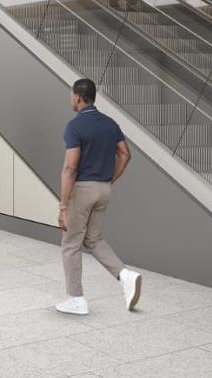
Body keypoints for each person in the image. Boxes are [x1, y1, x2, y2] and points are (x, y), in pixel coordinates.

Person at [55, 77, 142, 316]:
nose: (70, 98)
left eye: (71, 95)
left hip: (83, 189)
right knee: (93, 240)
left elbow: (70, 168)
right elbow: (125, 154)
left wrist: (63, 206)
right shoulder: (110, 123)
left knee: (70, 244)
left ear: (78, 96)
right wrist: (110, 179)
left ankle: (76, 299)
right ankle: (125, 275)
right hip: (104, 189)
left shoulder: (75, 126)